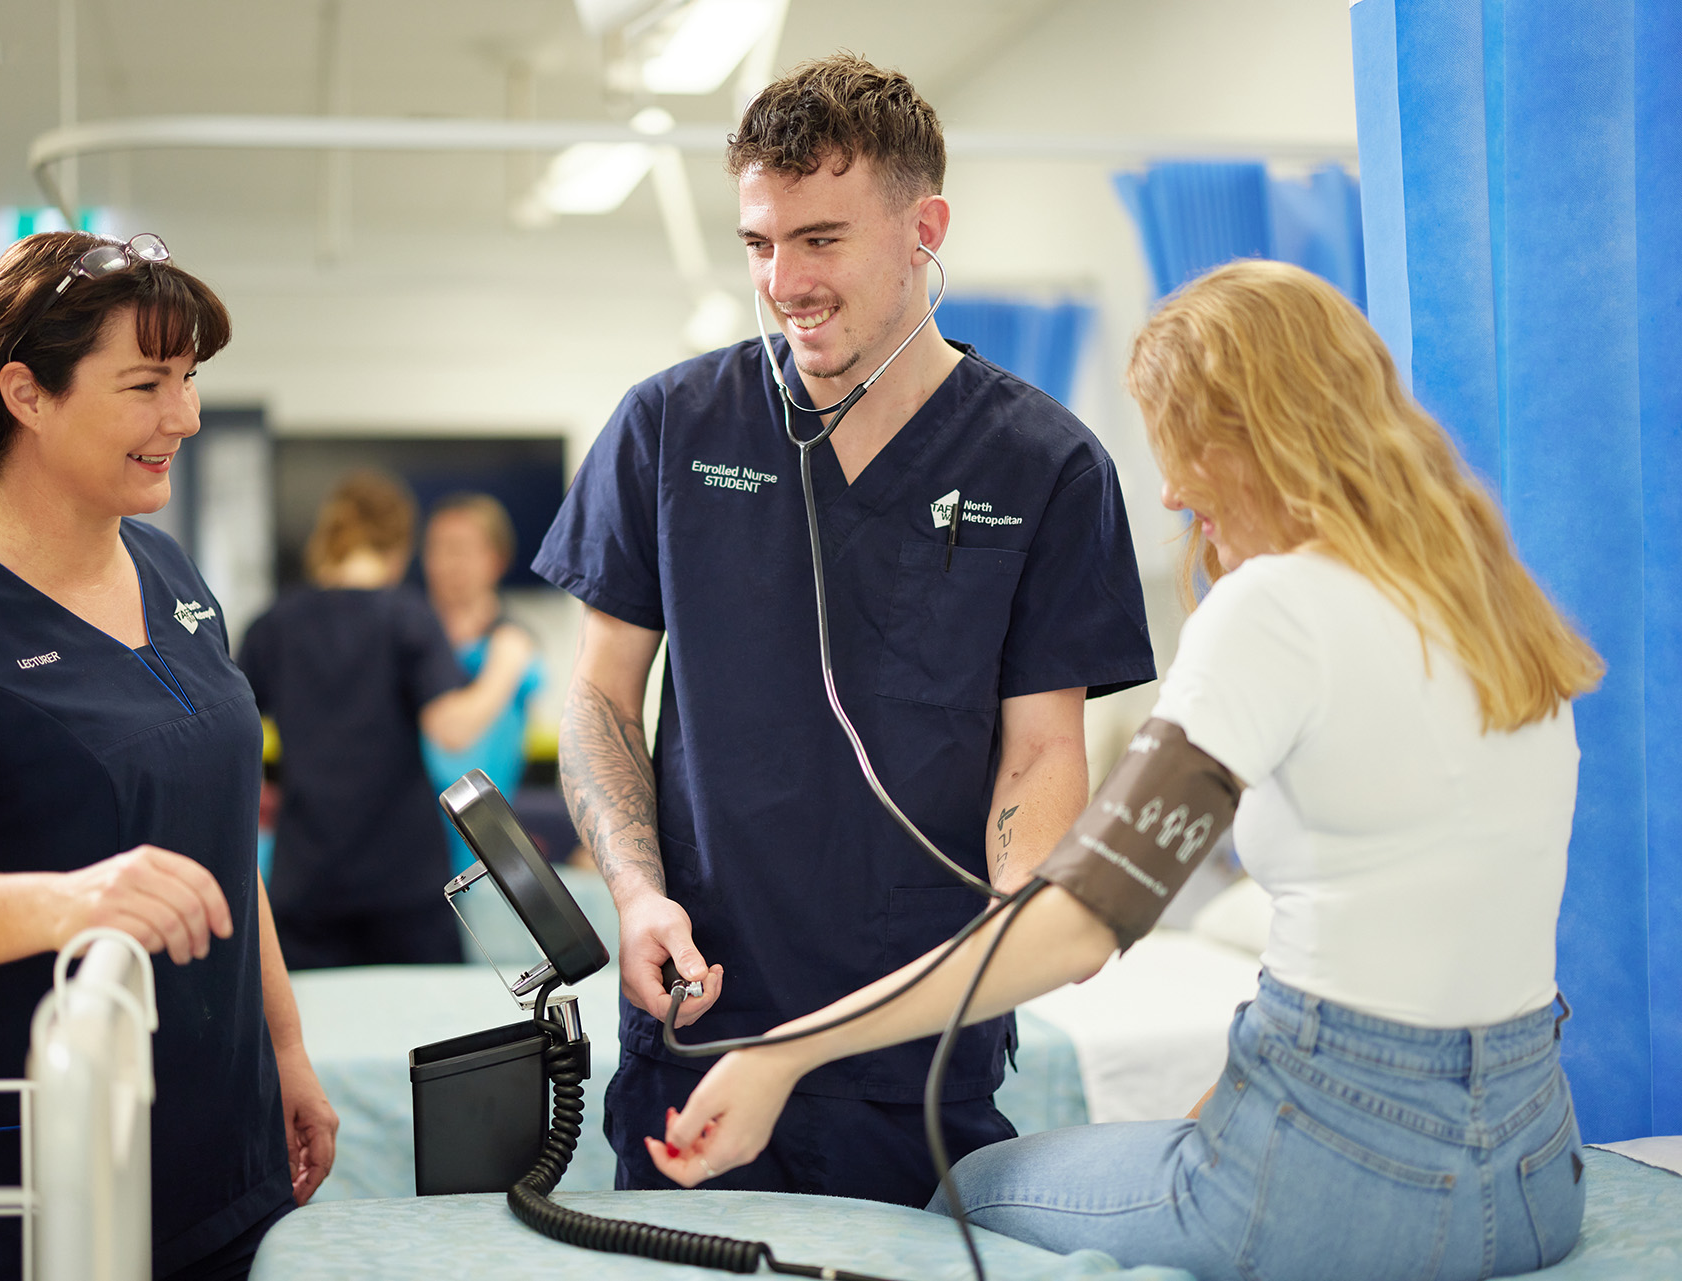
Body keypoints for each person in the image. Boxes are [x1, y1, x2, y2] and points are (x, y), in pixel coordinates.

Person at [648, 259, 1602, 1281]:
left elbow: (1081, 926)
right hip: (1537, 1165)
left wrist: (782, 1053)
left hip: (1348, 1178)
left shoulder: (1275, 606)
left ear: (1265, 434)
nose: (1174, 489)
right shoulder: (1496, 611)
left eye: (1187, 446)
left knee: (975, 1185)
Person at [532, 54, 1157, 1205]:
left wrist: (1015, 924)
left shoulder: (1044, 463)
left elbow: (1043, 750)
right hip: (703, 1016)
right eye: (760, 244)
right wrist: (634, 895)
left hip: (920, 1042)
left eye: (820, 240)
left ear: (926, 227)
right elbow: (600, 699)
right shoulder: (670, 427)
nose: (783, 282)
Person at [0, 230, 338, 1281]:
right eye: (144, 385)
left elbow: (221, 840)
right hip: (28, 1171)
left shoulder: (166, 566)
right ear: (28, 394)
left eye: (187, 380)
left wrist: (285, 1049)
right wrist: (75, 902)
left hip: (213, 1136)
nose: (181, 417)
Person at [239, 472, 534, 969]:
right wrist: (509, 659)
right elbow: (453, 729)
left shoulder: (274, 625)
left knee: (319, 1035)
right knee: (426, 1035)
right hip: (403, 884)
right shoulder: (407, 616)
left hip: (307, 880)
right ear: (400, 545)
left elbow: (232, 731)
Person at [421, 492, 543, 872]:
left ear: (496, 558)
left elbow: (456, 736)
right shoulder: (411, 643)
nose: (447, 564)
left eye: (460, 549)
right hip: (406, 848)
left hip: (478, 852)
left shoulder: (514, 645)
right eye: (438, 549)